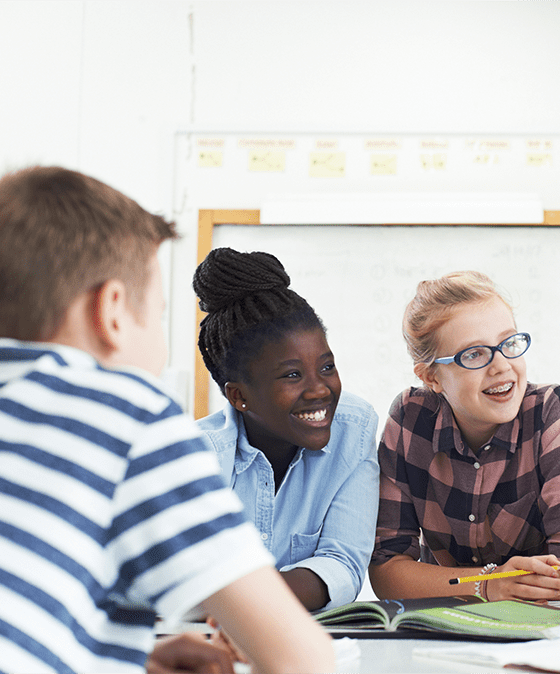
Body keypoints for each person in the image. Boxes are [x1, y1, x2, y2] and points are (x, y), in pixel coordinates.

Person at [0, 166, 336, 673]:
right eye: (157, 314)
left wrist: (138, 659)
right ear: (111, 312)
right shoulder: (125, 415)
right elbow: (301, 659)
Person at [369, 271, 560, 601]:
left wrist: (477, 585)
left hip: (543, 629)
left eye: (508, 344)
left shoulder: (550, 410)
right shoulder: (410, 418)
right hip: (443, 631)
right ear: (432, 377)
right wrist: (488, 583)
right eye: (474, 354)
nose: (501, 366)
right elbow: (387, 572)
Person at [193, 246, 379, 611]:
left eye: (326, 367)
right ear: (239, 396)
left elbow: (342, 563)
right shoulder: (197, 457)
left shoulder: (353, 430)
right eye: (292, 375)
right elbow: (183, 583)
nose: (320, 390)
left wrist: (250, 604)